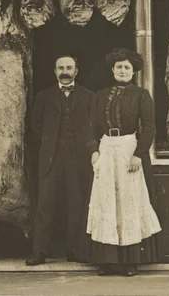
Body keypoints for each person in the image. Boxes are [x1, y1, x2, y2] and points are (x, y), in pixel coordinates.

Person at [87, 48, 162, 277]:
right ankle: (107, 261)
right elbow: (90, 126)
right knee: (107, 201)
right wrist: (93, 151)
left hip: (128, 148)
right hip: (106, 148)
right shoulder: (100, 95)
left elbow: (149, 127)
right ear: (113, 70)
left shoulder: (141, 95)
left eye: (127, 67)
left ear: (133, 72)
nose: (122, 70)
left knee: (128, 201)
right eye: (119, 66)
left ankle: (131, 261)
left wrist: (138, 154)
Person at [27, 54, 97, 266]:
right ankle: (39, 251)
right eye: (60, 68)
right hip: (51, 157)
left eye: (69, 67)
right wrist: (52, 143)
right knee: (45, 204)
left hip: (78, 159)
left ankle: (74, 249)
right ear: (54, 72)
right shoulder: (43, 96)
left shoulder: (88, 96)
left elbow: (94, 124)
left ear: (76, 71)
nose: (65, 71)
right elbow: (36, 126)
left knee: (76, 203)